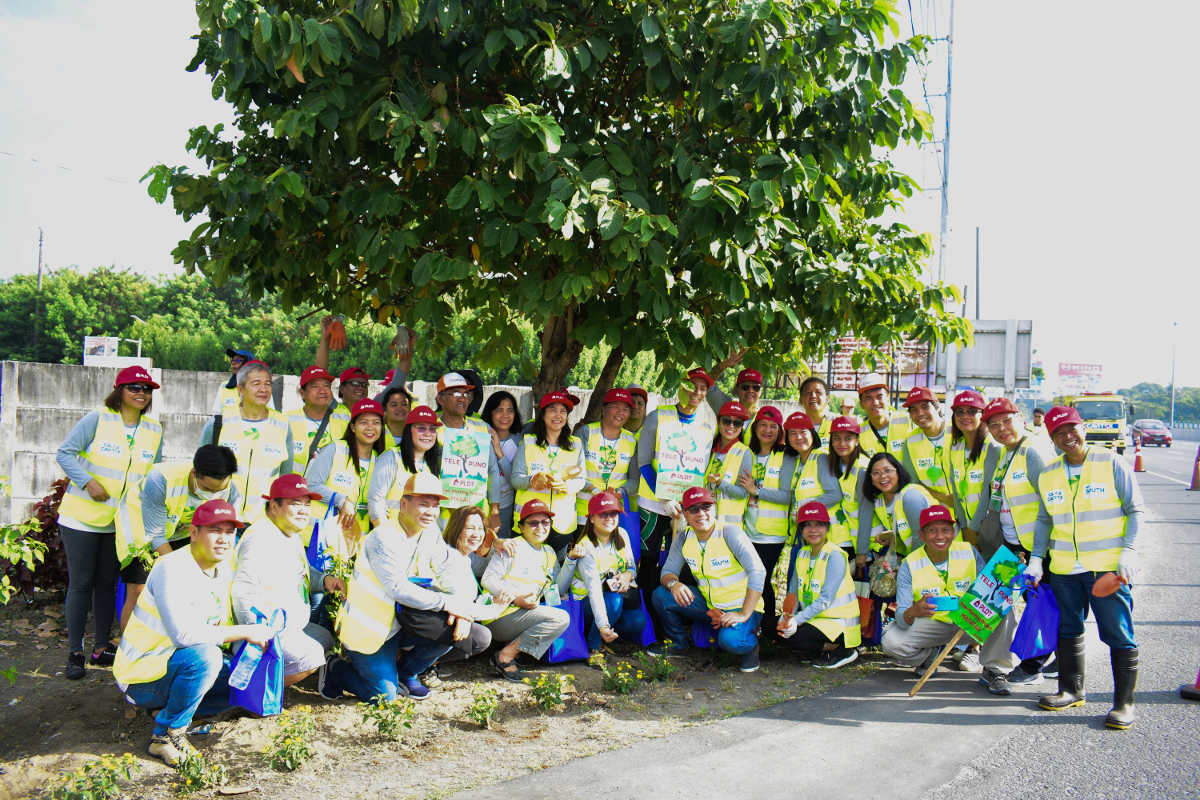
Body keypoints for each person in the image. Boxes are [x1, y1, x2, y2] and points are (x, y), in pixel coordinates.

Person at [114, 499, 270, 766]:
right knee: (206, 658)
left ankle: (169, 708)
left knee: (241, 679)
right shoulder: (172, 568)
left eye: (230, 532)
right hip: (142, 675)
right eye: (215, 530)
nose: (224, 539)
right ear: (194, 532)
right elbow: (184, 636)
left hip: (172, 664)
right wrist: (247, 631)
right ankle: (165, 736)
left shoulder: (223, 567)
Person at [1028, 406, 1144, 729]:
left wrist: (1130, 550)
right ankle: (1070, 690)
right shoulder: (1049, 473)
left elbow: (1135, 510)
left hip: (1107, 568)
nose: (1068, 437)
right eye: (1059, 433)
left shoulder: (1111, 462)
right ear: (1051, 439)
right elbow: (1043, 519)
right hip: (1065, 568)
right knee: (1068, 629)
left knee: (1117, 632)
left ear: (1083, 428)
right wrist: (1038, 559)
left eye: (1071, 429)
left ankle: (1124, 704)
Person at [323, 473, 481, 701]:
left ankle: (406, 673)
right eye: (424, 504)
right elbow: (397, 588)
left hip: (402, 623)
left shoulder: (430, 533)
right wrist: (449, 603)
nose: (431, 512)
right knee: (384, 697)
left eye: (435, 506)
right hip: (370, 633)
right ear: (404, 504)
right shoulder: (383, 537)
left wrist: (463, 609)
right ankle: (335, 668)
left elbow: (455, 572)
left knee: (468, 635)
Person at [56, 365, 164, 679]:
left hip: (120, 522)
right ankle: (75, 652)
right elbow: (65, 453)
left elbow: (152, 476)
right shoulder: (98, 419)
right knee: (81, 584)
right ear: (119, 390)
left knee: (106, 585)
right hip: (82, 518)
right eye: (134, 388)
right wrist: (87, 482)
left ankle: (101, 647)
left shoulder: (154, 429)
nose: (141, 394)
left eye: (146, 390)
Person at [880, 505, 1015, 681]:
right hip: (933, 625)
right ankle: (930, 655)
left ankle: (994, 669)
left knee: (1002, 607)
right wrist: (912, 612)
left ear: (953, 532)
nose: (940, 536)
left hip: (969, 622)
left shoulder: (969, 551)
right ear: (921, 535)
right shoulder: (909, 564)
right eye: (932, 531)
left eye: (945, 530)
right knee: (891, 642)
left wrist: (1011, 573)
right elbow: (901, 619)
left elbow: (990, 589)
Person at [115, 444, 240, 631]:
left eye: (218, 490)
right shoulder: (161, 480)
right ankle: (128, 650)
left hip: (182, 529)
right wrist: (184, 571)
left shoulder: (231, 489)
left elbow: (227, 532)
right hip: (142, 526)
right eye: (207, 488)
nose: (213, 494)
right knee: (139, 590)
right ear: (194, 474)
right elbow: (156, 535)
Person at [980, 397, 1055, 692]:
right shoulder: (1006, 454)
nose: (1001, 429)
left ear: (1020, 419)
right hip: (1014, 545)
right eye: (994, 425)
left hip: (1039, 550)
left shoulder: (1032, 451)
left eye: (1006, 421)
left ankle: (1034, 665)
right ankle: (1012, 662)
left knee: (1042, 607)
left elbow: (1049, 506)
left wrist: (1036, 555)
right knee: (1003, 600)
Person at [231, 475, 334, 687]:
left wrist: (325, 581)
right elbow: (243, 593)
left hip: (287, 625)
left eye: (307, 504)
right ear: (274, 507)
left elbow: (300, 575)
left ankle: (270, 674)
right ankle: (250, 691)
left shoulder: (289, 533)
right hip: (263, 629)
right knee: (312, 655)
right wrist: (256, 635)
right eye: (295, 504)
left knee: (324, 638)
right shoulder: (260, 538)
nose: (304, 510)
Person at [651, 487, 765, 672]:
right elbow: (667, 572)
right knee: (662, 595)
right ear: (685, 514)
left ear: (714, 508)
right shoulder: (683, 538)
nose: (701, 513)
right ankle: (678, 644)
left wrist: (743, 614)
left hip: (742, 607)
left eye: (706, 507)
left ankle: (751, 644)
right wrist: (674, 584)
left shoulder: (730, 533)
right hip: (710, 605)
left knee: (730, 641)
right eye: (694, 509)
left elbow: (758, 572)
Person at [635, 368, 717, 604]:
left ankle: (667, 612)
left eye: (702, 389)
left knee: (676, 561)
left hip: (684, 509)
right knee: (649, 558)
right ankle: (646, 613)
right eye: (692, 386)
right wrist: (664, 498)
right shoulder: (657, 417)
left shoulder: (705, 428)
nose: (696, 392)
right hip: (652, 504)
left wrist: (686, 504)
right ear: (681, 387)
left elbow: (699, 472)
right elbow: (643, 462)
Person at [481, 499, 572, 682]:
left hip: (524, 614)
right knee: (561, 618)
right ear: (521, 527)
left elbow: (555, 589)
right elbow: (487, 579)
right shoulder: (511, 546)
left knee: (560, 613)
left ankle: (514, 651)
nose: (540, 527)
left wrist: (570, 561)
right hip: (499, 614)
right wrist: (516, 598)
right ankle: (505, 656)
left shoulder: (549, 552)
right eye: (533, 523)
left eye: (545, 522)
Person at [200, 360, 294, 525]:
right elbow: (200, 472)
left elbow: (285, 477)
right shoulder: (219, 423)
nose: (263, 389)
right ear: (240, 389)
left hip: (264, 523)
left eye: (267, 384)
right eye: (256, 384)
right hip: (221, 519)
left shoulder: (283, 425)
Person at [557, 492, 647, 652]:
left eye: (613, 513)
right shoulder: (587, 548)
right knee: (614, 601)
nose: (609, 518)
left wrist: (628, 575)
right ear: (591, 518)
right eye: (603, 514)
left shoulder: (622, 535)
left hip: (611, 599)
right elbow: (594, 591)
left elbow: (632, 567)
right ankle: (594, 645)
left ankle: (606, 636)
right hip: (586, 603)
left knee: (637, 621)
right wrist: (603, 626)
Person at [777, 501, 861, 668]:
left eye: (819, 525)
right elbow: (793, 592)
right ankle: (817, 649)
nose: (813, 530)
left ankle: (843, 649)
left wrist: (797, 620)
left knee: (796, 637)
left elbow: (826, 599)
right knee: (775, 629)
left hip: (838, 624)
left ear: (827, 528)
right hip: (815, 619)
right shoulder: (802, 553)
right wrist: (787, 616)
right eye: (807, 525)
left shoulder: (835, 555)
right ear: (801, 530)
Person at [308, 399, 386, 571]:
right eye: (364, 422)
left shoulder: (380, 460)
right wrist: (340, 500)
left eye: (376, 423)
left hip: (355, 547)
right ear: (352, 427)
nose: (370, 428)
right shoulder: (335, 449)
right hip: (322, 543)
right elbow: (311, 485)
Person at [738, 406, 792, 633]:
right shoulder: (746, 453)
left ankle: (769, 627)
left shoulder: (786, 457)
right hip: (746, 529)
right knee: (750, 577)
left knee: (762, 577)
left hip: (772, 533)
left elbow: (789, 496)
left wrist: (756, 491)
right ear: (755, 427)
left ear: (779, 430)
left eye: (773, 426)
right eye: (763, 425)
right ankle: (760, 624)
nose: (767, 430)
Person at [511, 390, 586, 550]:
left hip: (562, 523)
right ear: (543, 415)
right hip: (531, 522)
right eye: (552, 410)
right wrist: (531, 481)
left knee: (555, 570)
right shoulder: (528, 442)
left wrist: (567, 487)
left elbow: (581, 479)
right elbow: (515, 479)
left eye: (563, 411)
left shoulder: (576, 444)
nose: (558, 415)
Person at [434, 372, 504, 527]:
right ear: (440, 399)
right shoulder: (430, 429)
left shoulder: (481, 428)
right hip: (442, 517)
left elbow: (492, 470)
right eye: (456, 393)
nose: (462, 398)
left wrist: (494, 510)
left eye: (466, 394)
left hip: (477, 515)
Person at [367, 405, 442, 528]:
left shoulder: (432, 466)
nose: (428, 434)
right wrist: (387, 537)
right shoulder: (392, 457)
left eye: (432, 429)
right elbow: (375, 501)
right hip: (391, 539)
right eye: (421, 428)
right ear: (409, 430)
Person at [944, 390, 1001, 547]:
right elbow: (956, 492)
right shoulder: (955, 447)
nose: (965, 416)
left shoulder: (992, 447)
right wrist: (963, 526)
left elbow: (988, 493)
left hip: (990, 529)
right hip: (967, 528)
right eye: (959, 412)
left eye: (972, 411)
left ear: (982, 415)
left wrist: (974, 529)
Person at [574, 388, 639, 526]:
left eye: (626, 409)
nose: (621, 412)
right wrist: (596, 491)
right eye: (616, 407)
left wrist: (619, 492)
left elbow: (635, 480)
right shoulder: (586, 433)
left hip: (614, 515)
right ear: (603, 409)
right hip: (584, 514)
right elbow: (573, 472)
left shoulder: (632, 441)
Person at [857, 452, 932, 564]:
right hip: (914, 557)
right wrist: (891, 538)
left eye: (887, 471)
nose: (883, 476)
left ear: (898, 471)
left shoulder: (911, 496)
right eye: (876, 473)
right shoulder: (879, 502)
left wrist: (909, 567)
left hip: (935, 557)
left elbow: (923, 537)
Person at [287, 366, 349, 475]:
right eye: (315, 386)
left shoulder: (346, 419)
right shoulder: (287, 421)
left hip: (331, 490)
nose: (322, 391)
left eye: (326, 386)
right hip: (299, 489)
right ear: (302, 392)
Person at [901, 386, 954, 506]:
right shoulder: (910, 442)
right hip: (934, 513)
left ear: (937, 407)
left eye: (925, 407)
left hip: (967, 510)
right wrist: (944, 498)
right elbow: (914, 483)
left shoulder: (957, 432)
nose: (920, 413)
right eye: (913, 409)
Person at [482, 390, 523, 536]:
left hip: (506, 505)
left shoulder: (520, 441)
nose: (505, 415)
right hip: (480, 504)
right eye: (499, 410)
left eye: (510, 410)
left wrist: (499, 452)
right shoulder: (480, 436)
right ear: (490, 413)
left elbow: (514, 480)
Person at [706, 401, 753, 528]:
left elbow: (743, 493)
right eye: (727, 421)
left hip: (729, 527)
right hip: (706, 522)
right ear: (719, 421)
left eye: (737, 423)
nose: (731, 426)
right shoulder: (710, 449)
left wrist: (719, 483)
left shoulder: (745, 453)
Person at [855, 373, 910, 457]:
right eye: (868, 398)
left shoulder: (909, 421)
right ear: (861, 404)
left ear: (888, 398)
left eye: (879, 396)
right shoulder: (858, 434)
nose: (875, 403)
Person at [706, 368, 765, 434]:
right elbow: (707, 383)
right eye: (745, 387)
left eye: (756, 388)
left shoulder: (765, 418)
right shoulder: (725, 407)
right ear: (736, 389)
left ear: (760, 391)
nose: (751, 391)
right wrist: (722, 366)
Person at [216, 347, 255, 413]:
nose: (233, 363)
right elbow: (216, 416)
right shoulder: (224, 386)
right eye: (232, 360)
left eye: (238, 360)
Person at [798, 376, 836, 443]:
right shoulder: (793, 426)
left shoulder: (837, 423)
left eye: (818, 392)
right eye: (808, 393)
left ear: (827, 399)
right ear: (801, 400)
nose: (813, 396)